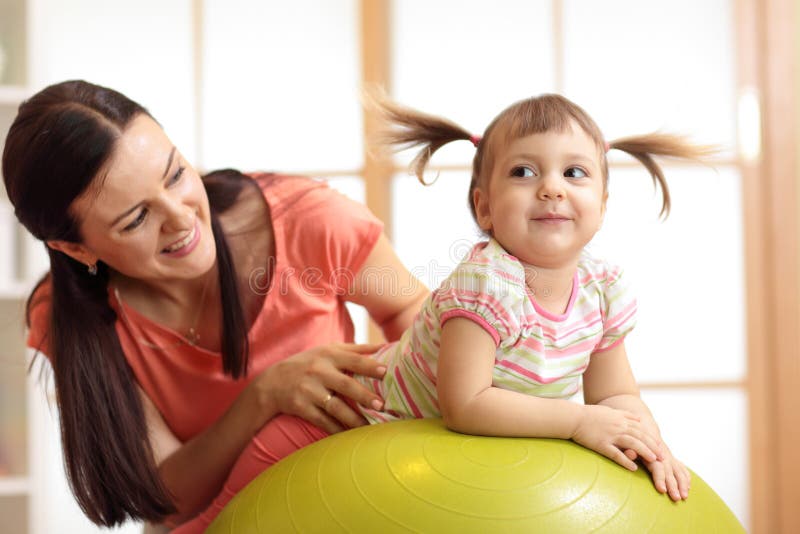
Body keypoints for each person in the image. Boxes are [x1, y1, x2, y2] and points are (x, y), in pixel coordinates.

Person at [203, 92, 710, 530]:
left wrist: (646, 440)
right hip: (345, 419)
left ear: (602, 203)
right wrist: (579, 422)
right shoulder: (486, 283)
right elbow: (467, 403)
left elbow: (615, 392)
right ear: (485, 208)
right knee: (222, 521)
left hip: (437, 464)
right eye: (523, 171)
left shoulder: (602, 289)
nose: (551, 187)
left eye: (574, 172)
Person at [2, 80, 429, 531]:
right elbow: (165, 499)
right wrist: (264, 396)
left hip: (342, 507)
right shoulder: (69, 314)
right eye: (137, 218)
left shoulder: (308, 221)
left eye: (175, 174)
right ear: (77, 250)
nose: (182, 218)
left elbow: (410, 311)